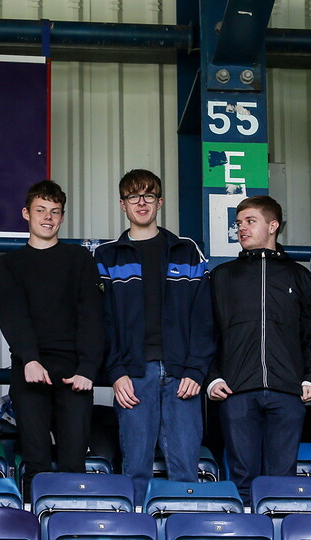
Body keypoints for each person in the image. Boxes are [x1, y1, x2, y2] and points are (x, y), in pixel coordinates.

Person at [94, 169, 215, 502]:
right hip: (133, 375)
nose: (141, 202)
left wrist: (196, 370)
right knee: (135, 470)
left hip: (181, 376)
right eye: (134, 196)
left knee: (186, 469)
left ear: (160, 202)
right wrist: (116, 372)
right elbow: (101, 322)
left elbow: (204, 318)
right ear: (123, 204)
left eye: (148, 195)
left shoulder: (186, 251)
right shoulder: (107, 256)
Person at [0, 181, 105, 499]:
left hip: (75, 376)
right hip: (31, 373)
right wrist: (29, 358)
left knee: (73, 463)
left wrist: (88, 368)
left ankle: (70, 526)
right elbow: (12, 315)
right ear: (26, 214)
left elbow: (92, 316)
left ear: (62, 217)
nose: (48, 217)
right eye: (41, 210)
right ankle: (38, 526)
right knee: (36, 462)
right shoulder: (10, 264)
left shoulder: (79, 259)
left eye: (55, 212)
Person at [207, 195, 311, 503]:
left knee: (282, 483)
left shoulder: (299, 276)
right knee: (243, 480)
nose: (241, 228)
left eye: (249, 221)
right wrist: (213, 377)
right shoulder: (222, 276)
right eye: (239, 223)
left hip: (287, 391)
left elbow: (310, 333)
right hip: (236, 391)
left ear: (273, 225)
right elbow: (209, 333)